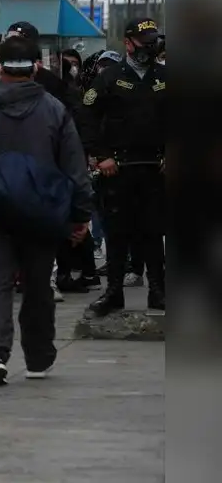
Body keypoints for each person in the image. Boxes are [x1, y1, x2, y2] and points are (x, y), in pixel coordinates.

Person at [0, 34, 93, 386]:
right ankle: (38, 357)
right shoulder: (55, 111)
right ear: (36, 68)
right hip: (42, 214)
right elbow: (75, 167)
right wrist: (80, 215)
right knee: (39, 284)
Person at [78, 17, 166, 317]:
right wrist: (100, 155)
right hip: (117, 168)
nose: (151, 47)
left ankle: (159, 291)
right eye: (145, 42)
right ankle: (113, 292)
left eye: (155, 41)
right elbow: (86, 117)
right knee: (117, 233)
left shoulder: (167, 76)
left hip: (156, 168)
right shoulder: (110, 77)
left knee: (154, 232)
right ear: (128, 43)